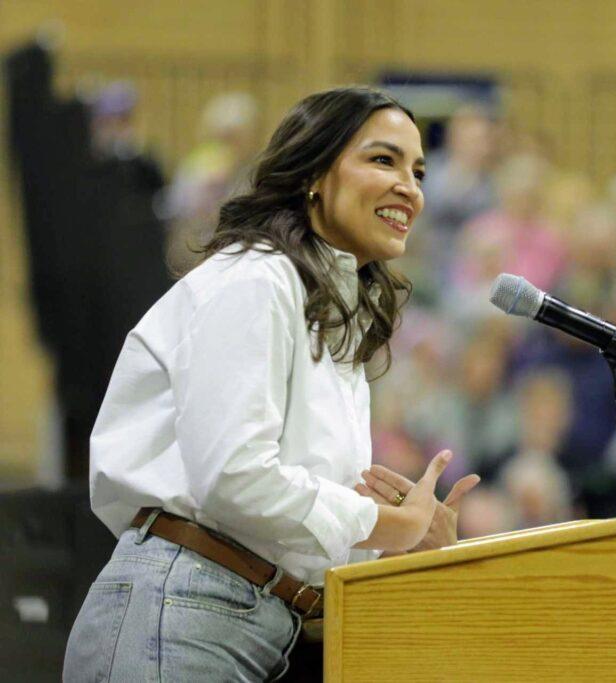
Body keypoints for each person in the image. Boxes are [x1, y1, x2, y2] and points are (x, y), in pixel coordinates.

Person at [63, 86, 479, 681]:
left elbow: (293, 528)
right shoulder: (255, 279)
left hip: (264, 627)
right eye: (382, 160)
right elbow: (234, 478)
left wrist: (398, 551)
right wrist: (388, 523)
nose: (409, 187)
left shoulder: (332, 313)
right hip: (183, 614)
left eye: (418, 170)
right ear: (312, 172)